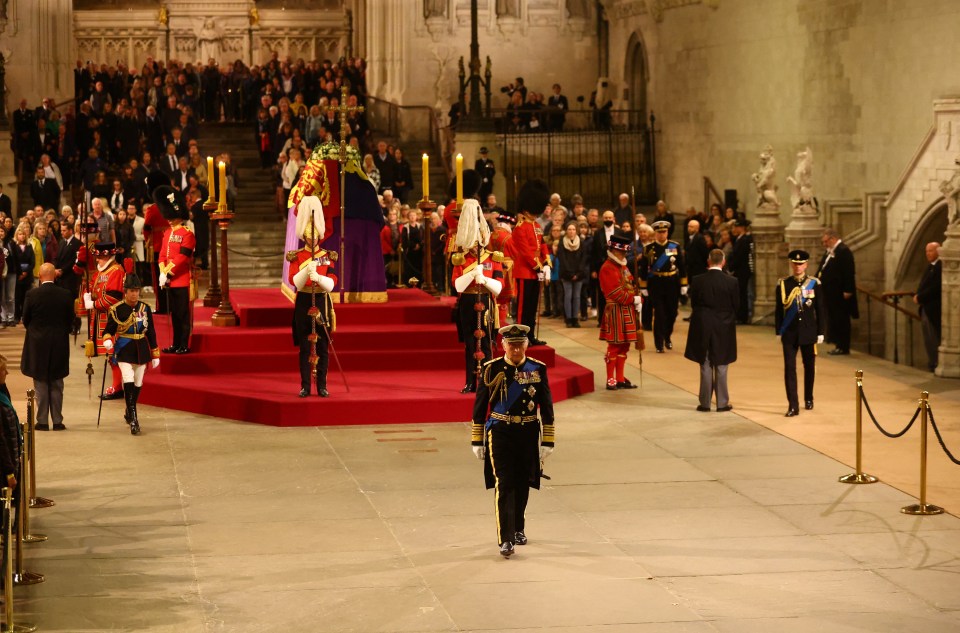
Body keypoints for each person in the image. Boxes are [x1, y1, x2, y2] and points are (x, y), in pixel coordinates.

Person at [471, 323, 554, 558]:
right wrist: (477, 440)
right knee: (504, 483)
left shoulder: (537, 369)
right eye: (511, 346)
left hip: (527, 432)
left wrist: (548, 440)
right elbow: (479, 407)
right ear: (503, 346)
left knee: (523, 481)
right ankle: (505, 538)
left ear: (526, 345)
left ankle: (518, 527)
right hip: (500, 432)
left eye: (520, 346)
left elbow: (546, 405)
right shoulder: (491, 369)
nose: (516, 351)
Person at [451, 198, 503, 393]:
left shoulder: (493, 257)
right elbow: (457, 285)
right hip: (468, 301)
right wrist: (473, 274)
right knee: (470, 345)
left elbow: (499, 286)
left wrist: (485, 280)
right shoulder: (461, 259)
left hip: (487, 301)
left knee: (488, 343)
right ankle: (470, 381)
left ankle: (488, 381)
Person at [287, 196, 338, 398]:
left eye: (316, 236)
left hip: (322, 300)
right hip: (304, 301)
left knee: (323, 346)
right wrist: (306, 271)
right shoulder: (297, 255)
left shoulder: (327, 255)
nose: (313, 239)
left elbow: (333, 282)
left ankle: (323, 385)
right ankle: (305, 386)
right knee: (304, 347)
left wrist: (319, 277)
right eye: (310, 236)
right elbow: (294, 282)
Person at [102, 274, 160, 436]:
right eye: (131, 291)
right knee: (127, 377)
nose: (134, 294)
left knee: (138, 381)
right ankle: (134, 419)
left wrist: (155, 352)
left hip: (141, 347)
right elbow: (108, 330)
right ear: (125, 292)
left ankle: (129, 410)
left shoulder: (145, 308)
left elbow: (152, 331)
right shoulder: (117, 309)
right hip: (124, 348)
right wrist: (107, 340)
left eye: (136, 291)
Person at [20, 263, 74, 431]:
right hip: (59, 342)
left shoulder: (32, 294)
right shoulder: (65, 295)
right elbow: (70, 320)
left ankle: (42, 421)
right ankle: (57, 421)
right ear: (54, 275)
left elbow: (26, 319)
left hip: (37, 344)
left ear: (40, 276)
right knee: (57, 382)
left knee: (41, 382)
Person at [684, 250, 739, 412]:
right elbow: (737, 305)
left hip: (702, 324)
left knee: (705, 362)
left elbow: (694, 304)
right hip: (723, 325)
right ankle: (722, 403)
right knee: (721, 363)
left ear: (708, 261)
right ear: (723, 262)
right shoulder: (732, 281)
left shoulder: (698, 280)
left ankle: (705, 403)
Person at [775, 249, 824, 417]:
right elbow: (778, 310)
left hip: (809, 332)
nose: (797, 267)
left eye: (801, 264)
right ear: (791, 264)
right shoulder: (783, 283)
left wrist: (821, 331)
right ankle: (793, 405)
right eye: (795, 264)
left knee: (809, 366)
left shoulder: (814, 283)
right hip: (789, 333)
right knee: (790, 368)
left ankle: (808, 397)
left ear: (806, 265)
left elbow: (820, 310)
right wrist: (778, 331)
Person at [155, 185, 196, 355]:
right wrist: (162, 272)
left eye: (172, 216)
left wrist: (168, 272)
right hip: (169, 281)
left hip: (181, 279)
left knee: (182, 315)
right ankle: (175, 343)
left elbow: (182, 258)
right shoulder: (167, 233)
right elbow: (162, 255)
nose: (169, 219)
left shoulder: (187, 234)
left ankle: (184, 344)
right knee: (174, 315)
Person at [84, 241, 127, 399]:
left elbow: (113, 298)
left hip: (113, 319)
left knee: (114, 354)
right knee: (111, 355)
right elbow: (95, 286)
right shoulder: (103, 271)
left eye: (99, 258)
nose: (97, 260)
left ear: (107, 256)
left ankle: (117, 387)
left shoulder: (115, 271)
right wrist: (89, 294)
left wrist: (94, 303)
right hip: (102, 318)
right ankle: (117, 385)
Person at [599, 234, 642, 389]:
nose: (623, 255)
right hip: (615, 310)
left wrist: (639, 298)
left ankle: (620, 378)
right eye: (620, 252)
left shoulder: (622, 266)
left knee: (625, 346)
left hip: (627, 311)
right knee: (615, 346)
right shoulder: (607, 268)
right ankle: (610, 378)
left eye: (624, 252)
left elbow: (630, 284)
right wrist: (633, 299)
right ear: (612, 250)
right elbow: (614, 293)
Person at [512, 180, 551, 346]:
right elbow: (525, 251)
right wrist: (539, 266)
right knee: (523, 307)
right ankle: (520, 336)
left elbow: (542, 245)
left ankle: (530, 335)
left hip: (536, 273)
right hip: (524, 272)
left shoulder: (536, 226)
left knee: (533, 306)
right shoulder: (520, 228)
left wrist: (547, 261)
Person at [638, 220, 687, 353]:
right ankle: (659, 343)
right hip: (656, 284)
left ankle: (667, 336)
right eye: (659, 232)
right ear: (655, 233)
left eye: (664, 232)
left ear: (667, 232)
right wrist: (643, 286)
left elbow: (682, 266)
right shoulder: (648, 248)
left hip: (672, 283)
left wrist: (684, 284)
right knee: (659, 314)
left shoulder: (674, 247)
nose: (661, 235)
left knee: (672, 313)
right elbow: (643, 269)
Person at [816, 228, 858, 355]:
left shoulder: (843, 251)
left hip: (840, 293)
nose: (824, 245)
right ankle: (837, 343)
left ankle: (843, 346)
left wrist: (848, 290)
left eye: (825, 242)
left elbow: (849, 272)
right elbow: (822, 269)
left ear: (832, 239)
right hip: (830, 292)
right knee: (833, 318)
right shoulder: (830, 252)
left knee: (841, 319)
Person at [914, 242, 942, 372]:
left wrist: (920, 297)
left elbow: (936, 287)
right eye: (926, 251)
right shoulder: (930, 266)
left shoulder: (940, 266)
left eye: (930, 251)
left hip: (934, 308)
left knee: (933, 337)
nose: (928, 254)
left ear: (938, 251)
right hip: (926, 307)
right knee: (928, 337)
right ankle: (932, 361)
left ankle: (935, 362)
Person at [557, 221, 588, 328]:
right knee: (568, 296)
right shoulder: (562, 243)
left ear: (576, 231)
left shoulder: (582, 242)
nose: (571, 231)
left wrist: (578, 273)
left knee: (577, 297)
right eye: (569, 229)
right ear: (566, 231)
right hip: (566, 274)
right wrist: (570, 273)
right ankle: (568, 319)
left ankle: (575, 318)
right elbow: (562, 259)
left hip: (579, 274)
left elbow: (583, 259)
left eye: (573, 229)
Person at [727, 218, 754, 323]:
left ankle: (742, 317)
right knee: (739, 293)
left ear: (741, 228)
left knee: (742, 294)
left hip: (742, 270)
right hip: (738, 269)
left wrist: (732, 267)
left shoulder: (745, 240)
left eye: (736, 227)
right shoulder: (739, 238)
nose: (734, 229)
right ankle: (739, 315)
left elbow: (740, 256)